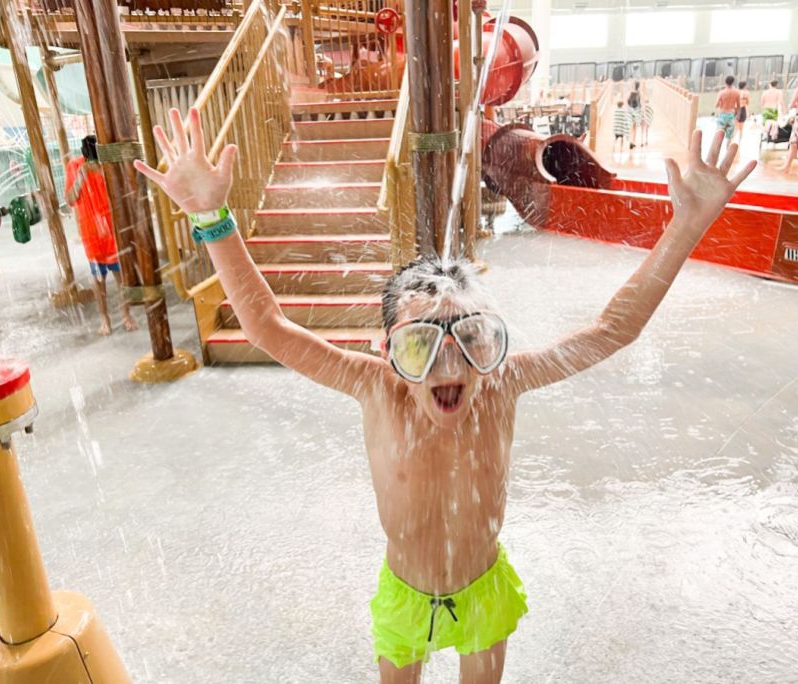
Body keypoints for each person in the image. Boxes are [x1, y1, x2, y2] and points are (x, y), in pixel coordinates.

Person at [135, 108, 756, 684]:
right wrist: (212, 219)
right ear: (387, 353)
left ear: (492, 345)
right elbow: (268, 327)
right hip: (406, 593)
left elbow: (612, 330)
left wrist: (687, 225)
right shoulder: (374, 388)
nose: (447, 363)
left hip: (482, 587)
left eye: (471, 337)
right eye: (418, 346)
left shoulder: (502, 382)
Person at [65, 135, 137, 336]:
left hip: (112, 231)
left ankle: (126, 315)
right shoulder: (75, 166)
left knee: (121, 276)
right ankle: (105, 319)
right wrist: (82, 174)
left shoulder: (109, 167)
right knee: (98, 279)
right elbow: (71, 199)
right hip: (91, 233)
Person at [714, 75, 740, 141]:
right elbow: (738, 106)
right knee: (730, 137)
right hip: (731, 115)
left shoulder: (721, 93)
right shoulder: (736, 93)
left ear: (725, 82)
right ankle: (728, 150)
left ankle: (717, 150)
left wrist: (721, 104)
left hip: (722, 115)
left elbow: (716, 105)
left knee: (719, 135)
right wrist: (738, 115)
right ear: (733, 82)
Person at [627, 81, 641, 149]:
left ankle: (630, 141)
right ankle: (633, 142)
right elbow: (640, 103)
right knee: (635, 128)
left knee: (631, 127)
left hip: (630, 112)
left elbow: (627, 101)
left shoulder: (630, 93)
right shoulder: (639, 93)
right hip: (636, 112)